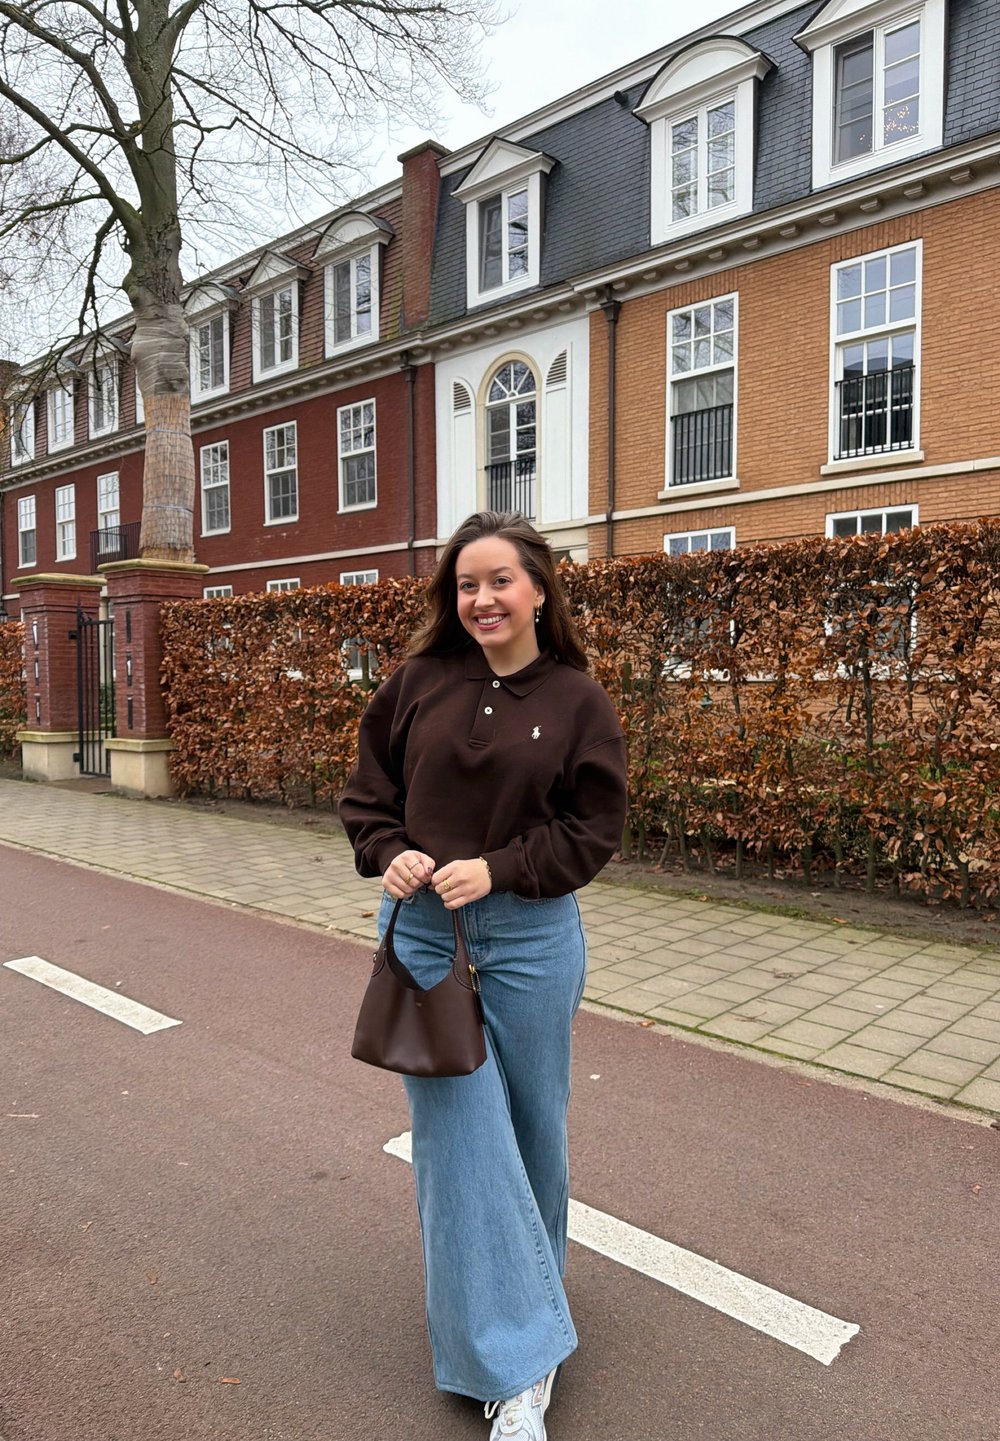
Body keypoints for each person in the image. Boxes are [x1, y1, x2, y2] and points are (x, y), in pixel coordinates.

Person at [339, 510, 627, 1440]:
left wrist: (500, 868)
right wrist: (389, 851)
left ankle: (525, 1328)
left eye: (500, 580)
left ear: (539, 588)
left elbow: (593, 829)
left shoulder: (580, 698)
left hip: (534, 935)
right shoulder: (417, 682)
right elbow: (368, 792)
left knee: (534, 1128)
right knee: (461, 1138)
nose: (482, 599)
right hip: (425, 935)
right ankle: (512, 1364)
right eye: (466, 584)